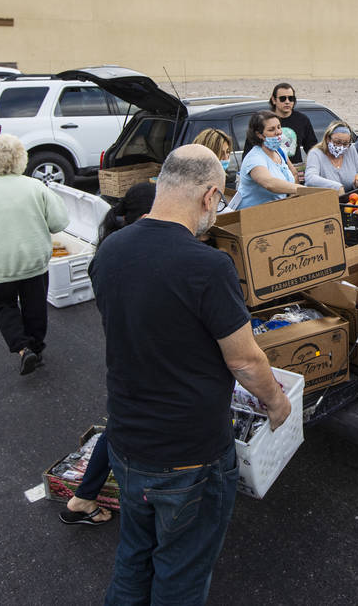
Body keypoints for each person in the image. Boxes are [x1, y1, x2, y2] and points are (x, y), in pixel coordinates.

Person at [89, 144, 291, 604]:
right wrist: (277, 404)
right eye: (218, 203)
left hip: (127, 442)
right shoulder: (207, 265)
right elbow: (244, 360)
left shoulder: (111, 249)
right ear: (209, 196)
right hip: (189, 456)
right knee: (181, 573)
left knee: (134, 555)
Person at [62, 181, 159, 528]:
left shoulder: (112, 251)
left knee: (119, 424)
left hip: (126, 354)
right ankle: (85, 498)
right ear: (147, 216)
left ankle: (84, 497)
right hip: (140, 357)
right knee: (122, 426)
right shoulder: (135, 255)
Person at [0, 134, 69, 375]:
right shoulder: (35, 186)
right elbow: (59, 222)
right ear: (22, 158)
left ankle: (22, 348)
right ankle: (36, 348)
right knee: (35, 305)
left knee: (2, 306)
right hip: (33, 259)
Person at [236, 111, 302, 209]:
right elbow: (269, 183)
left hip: (276, 211)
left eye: (279, 127)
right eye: (271, 130)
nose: (278, 132)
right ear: (259, 135)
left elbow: (294, 174)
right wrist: (302, 189)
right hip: (253, 215)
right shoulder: (255, 158)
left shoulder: (281, 152)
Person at [304, 120, 358, 191]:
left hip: (349, 199)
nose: (341, 147)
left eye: (345, 143)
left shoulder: (350, 149)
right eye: (337, 142)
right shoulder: (315, 153)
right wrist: (337, 187)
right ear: (328, 139)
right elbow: (310, 178)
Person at [268, 83, 317, 165]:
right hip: (271, 170)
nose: (287, 102)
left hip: (296, 171)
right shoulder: (265, 121)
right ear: (274, 100)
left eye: (291, 98)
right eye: (283, 98)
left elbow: (312, 148)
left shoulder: (302, 120)